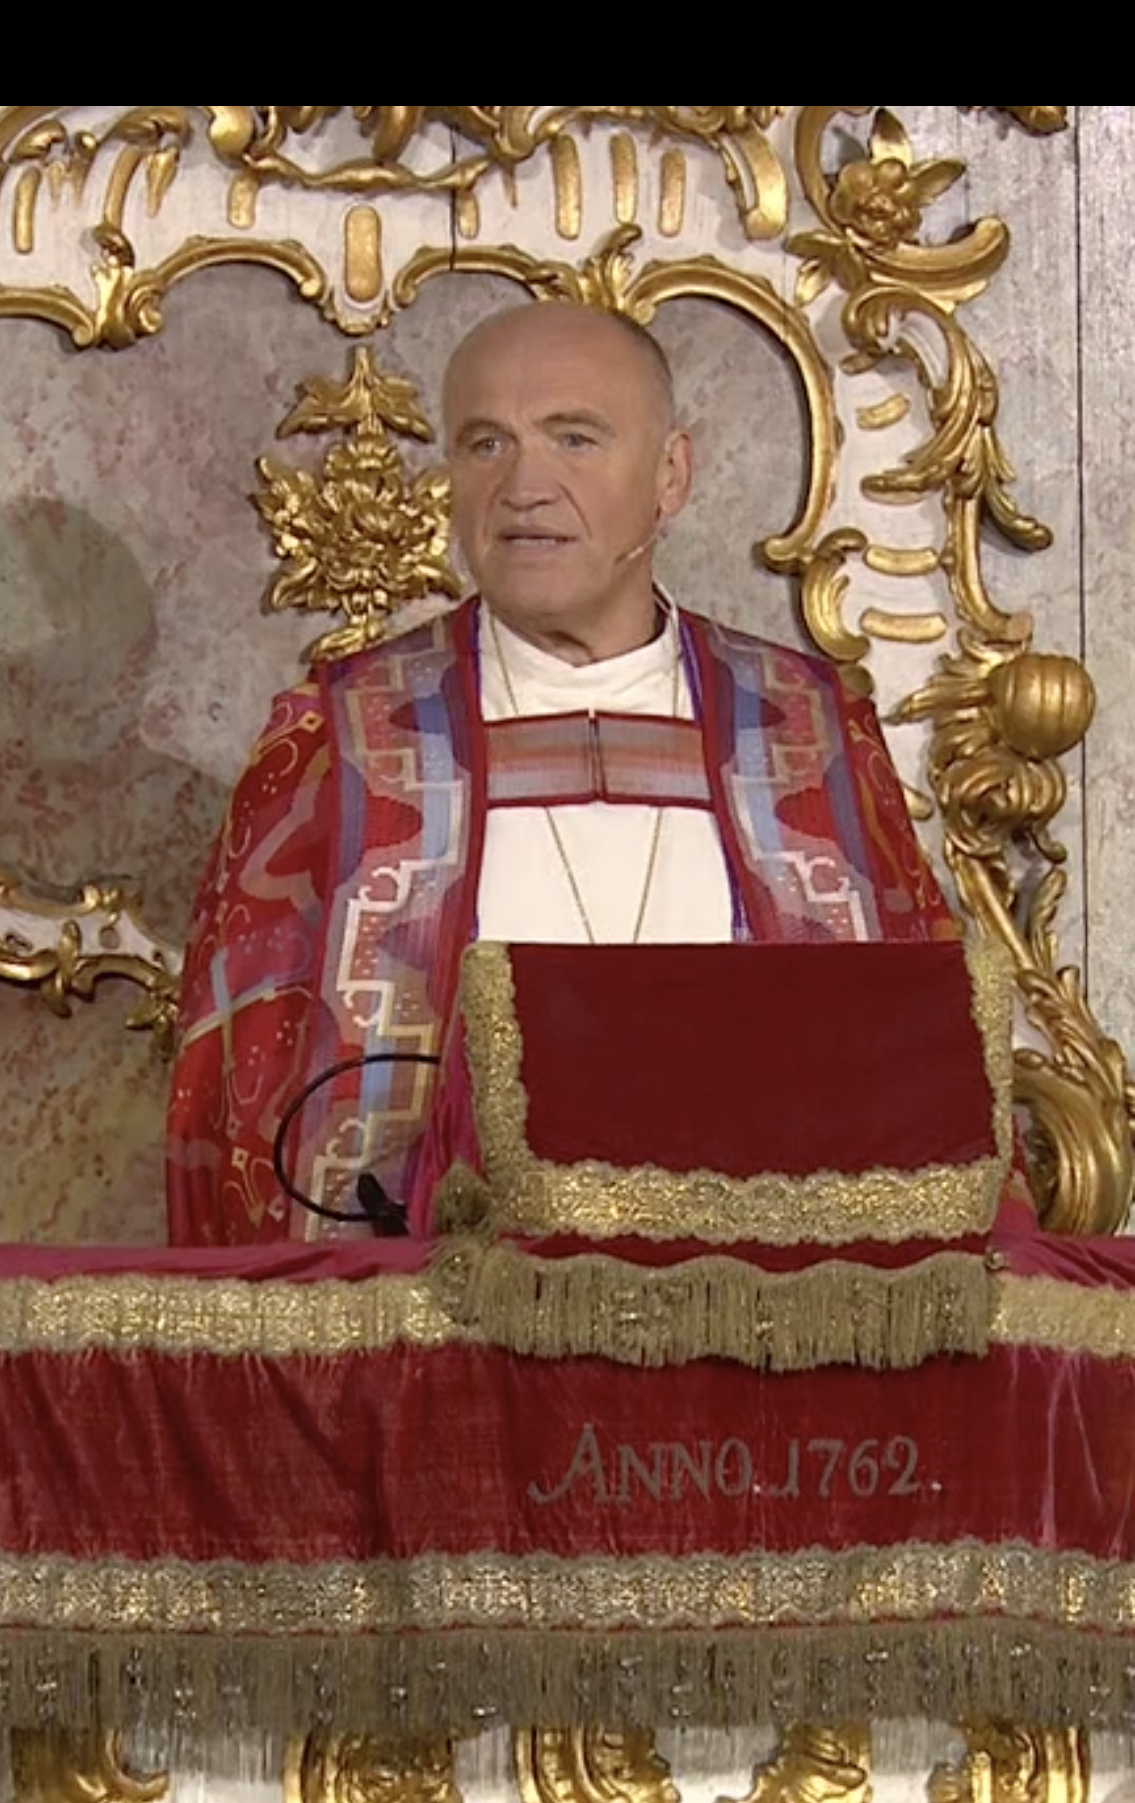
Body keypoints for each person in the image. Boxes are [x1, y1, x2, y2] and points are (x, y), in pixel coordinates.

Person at [168, 300, 959, 1244]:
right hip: (434, 1338)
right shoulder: (336, 741)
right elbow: (233, 1117)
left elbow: (930, 1081)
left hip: (760, 1327)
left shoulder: (809, 733)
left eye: (574, 438)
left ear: (671, 475)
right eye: (485, 445)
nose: (524, 487)